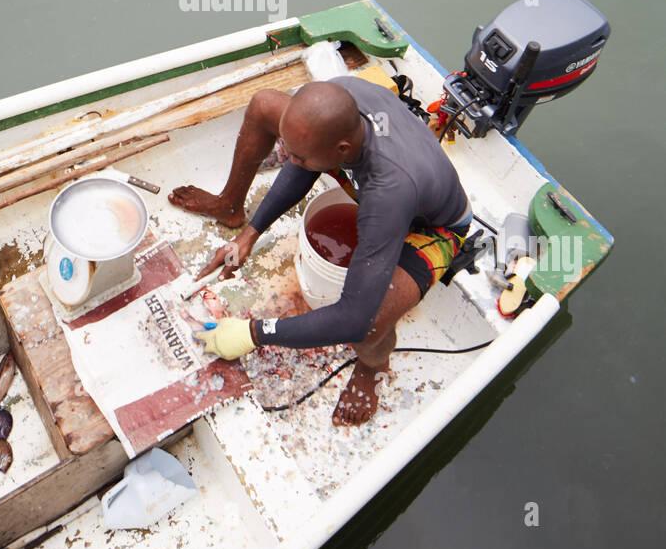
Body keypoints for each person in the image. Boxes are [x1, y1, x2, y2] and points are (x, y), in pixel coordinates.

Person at [169, 76, 472, 428]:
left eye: (296, 155)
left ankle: (373, 367)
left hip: (434, 226)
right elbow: (301, 166)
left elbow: (352, 319)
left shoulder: (387, 194)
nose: (288, 160)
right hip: (371, 173)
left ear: (341, 149)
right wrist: (251, 233)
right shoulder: (337, 99)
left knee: (371, 323)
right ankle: (230, 205)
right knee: (265, 103)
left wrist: (253, 333)